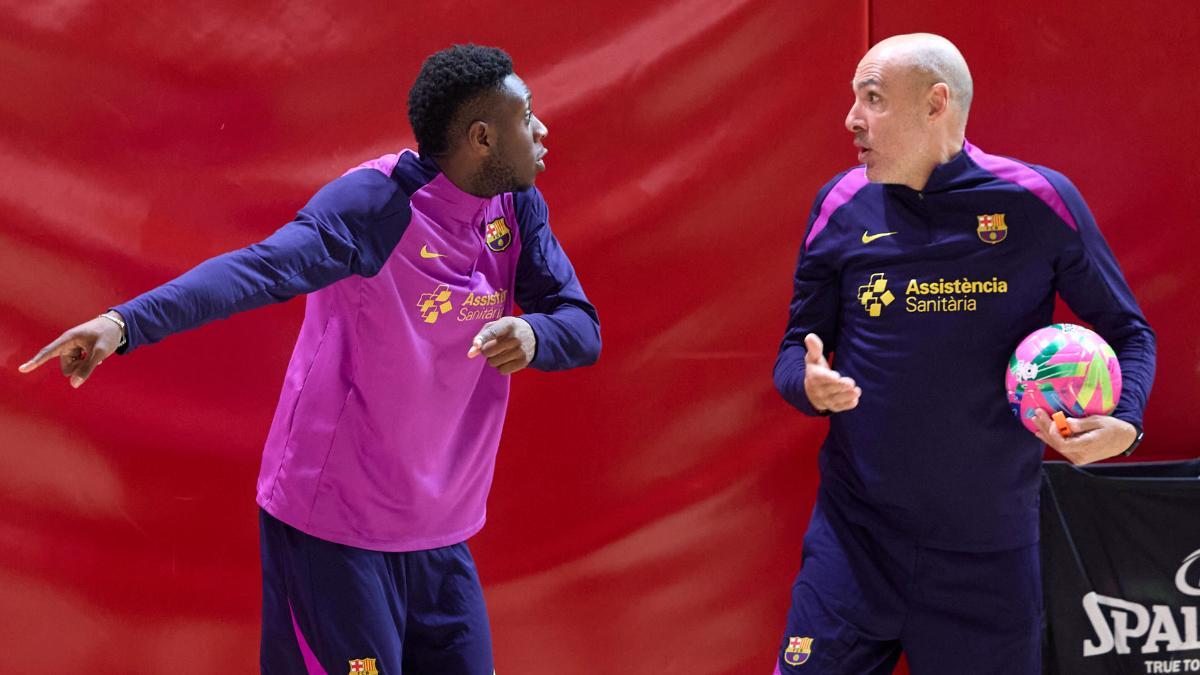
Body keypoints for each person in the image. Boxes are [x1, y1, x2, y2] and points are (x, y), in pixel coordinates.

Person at [19, 44, 600, 675]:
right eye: (527, 115)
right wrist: (123, 323)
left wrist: (535, 334)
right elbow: (261, 269)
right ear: (482, 137)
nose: (542, 129)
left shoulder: (515, 209)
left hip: (438, 531)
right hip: (335, 527)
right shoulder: (376, 206)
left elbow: (580, 323)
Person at [771, 33, 1154, 674]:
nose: (852, 119)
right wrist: (806, 385)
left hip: (988, 558)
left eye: (872, 98)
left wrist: (1126, 425)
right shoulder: (840, 204)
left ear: (935, 103)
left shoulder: (1037, 200)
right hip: (854, 544)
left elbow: (1130, 331)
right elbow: (793, 350)